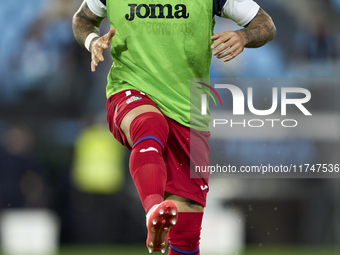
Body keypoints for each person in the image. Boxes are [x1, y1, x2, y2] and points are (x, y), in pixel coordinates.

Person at [72, 0, 276, 254]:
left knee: (186, 240)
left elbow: (266, 24)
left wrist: (242, 36)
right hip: (130, 89)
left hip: (189, 109)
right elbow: (82, 18)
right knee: (149, 125)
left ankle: (160, 218)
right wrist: (92, 40)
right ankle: (153, 209)